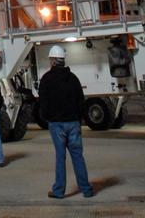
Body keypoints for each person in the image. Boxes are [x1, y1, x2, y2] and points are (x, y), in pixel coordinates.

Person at [39, 44, 93, 200]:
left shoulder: (47, 79)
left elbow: (44, 103)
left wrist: (47, 117)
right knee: (78, 156)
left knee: (60, 157)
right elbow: (80, 101)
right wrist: (78, 118)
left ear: (53, 61)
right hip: (73, 123)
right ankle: (86, 190)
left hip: (56, 124)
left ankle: (59, 191)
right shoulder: (73, 78)